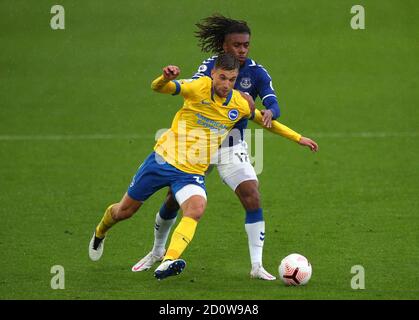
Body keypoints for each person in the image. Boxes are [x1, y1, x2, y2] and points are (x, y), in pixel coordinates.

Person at [132, 15, 318, 281]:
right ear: (223, 46)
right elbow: (192, 90)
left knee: (252, 195)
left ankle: (256, 266)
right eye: (236, 45)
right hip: (199, 147)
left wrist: (269, 112)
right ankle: (157, 251)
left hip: (231, 146)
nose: (242, 50)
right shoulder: (209, 68)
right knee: (174, 199)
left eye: (246, 45)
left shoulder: (257, 72)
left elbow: (271, 102)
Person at [88, 53, 259, 280]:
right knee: (124, 211)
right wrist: (164, 78)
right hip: (162, 161)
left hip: (191, 172)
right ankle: (100, 232)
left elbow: (264, 120)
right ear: (213, 74)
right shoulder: (197, 87)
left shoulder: (239, 103)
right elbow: (159, 88)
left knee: (196, 208)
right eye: (223, 78)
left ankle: (168, 260)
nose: (226, 84)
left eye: (232, 79)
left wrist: (298, 138)